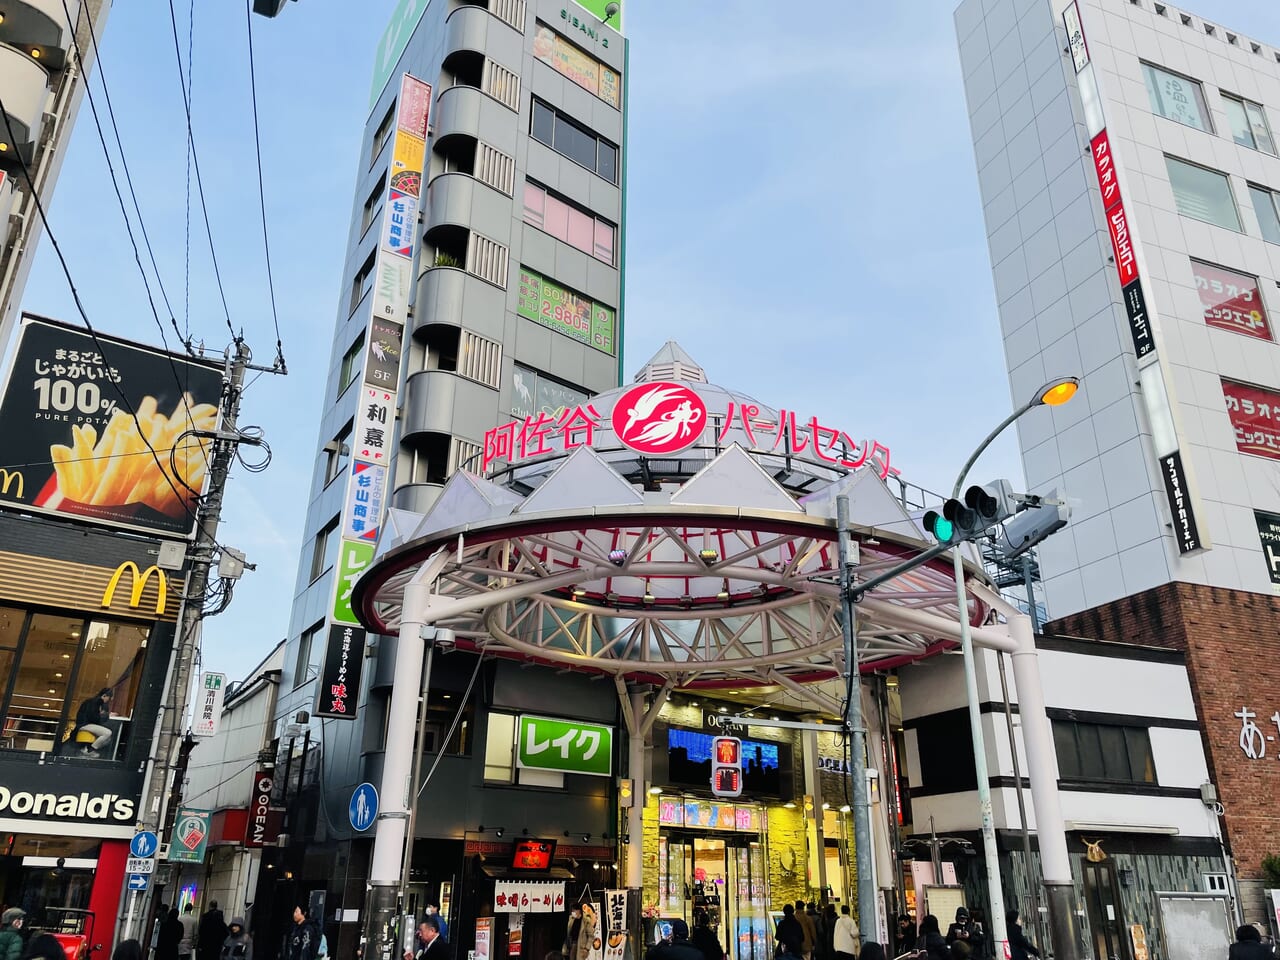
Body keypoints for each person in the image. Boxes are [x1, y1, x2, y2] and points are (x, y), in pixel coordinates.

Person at [73, 688, 113, 755]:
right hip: (85, 724)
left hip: (84, 723)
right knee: (107, 733)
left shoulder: (92, 701)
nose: (107, 701)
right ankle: (90, 750)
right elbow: (93, 717)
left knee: (107, 738)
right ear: (104, 696)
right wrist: (105, 715)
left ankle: (87, 748)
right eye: (108, 698)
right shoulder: (96, 703)